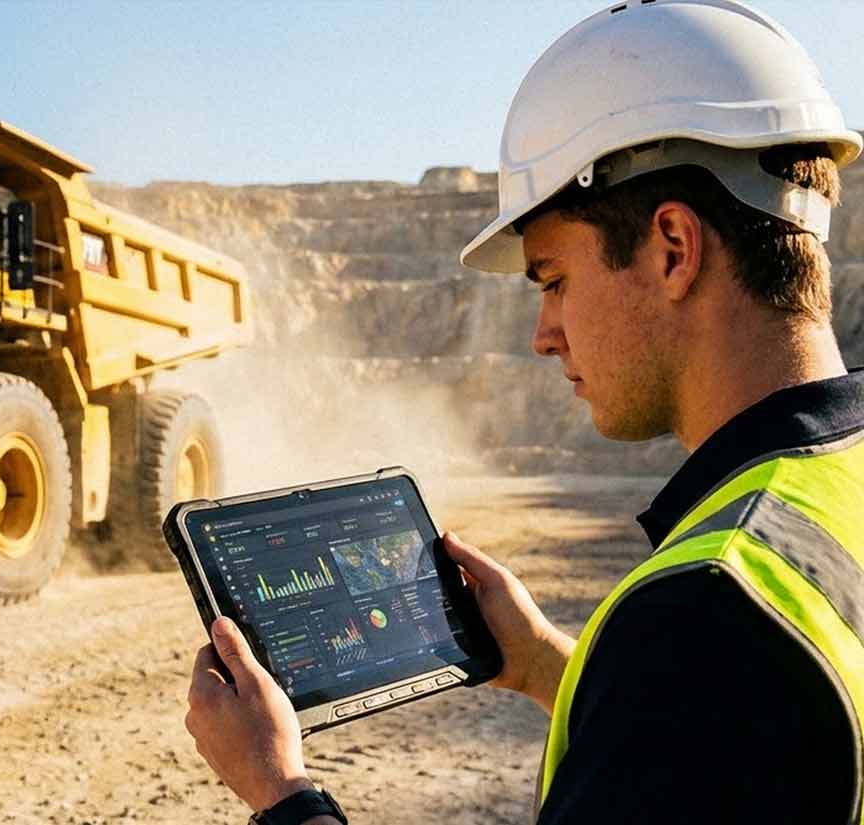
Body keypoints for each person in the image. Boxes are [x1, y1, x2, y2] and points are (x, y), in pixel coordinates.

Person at [184, 1, 864, 823]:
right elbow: (729, 747)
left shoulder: (706, 615)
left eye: (555, 281)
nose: (543, 334)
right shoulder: (823, 502)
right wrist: (544, 662)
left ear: (674, 249)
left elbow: (709, 696)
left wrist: (282, 790)